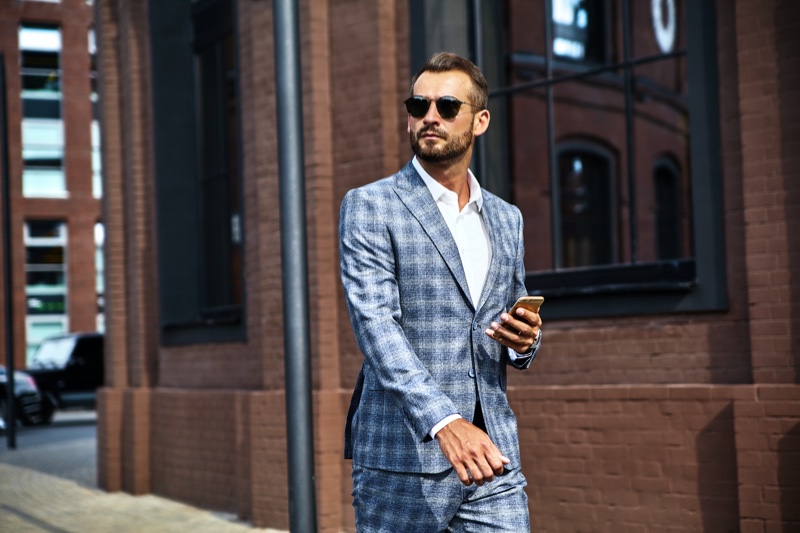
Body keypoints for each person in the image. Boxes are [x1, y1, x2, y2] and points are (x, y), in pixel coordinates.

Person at [339, 51, 542, 532]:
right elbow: (376, 327)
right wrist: (443, 421)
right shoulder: (371, 206)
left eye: (448, 106)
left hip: (492, 456)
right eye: (418, 105)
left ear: (480, 120)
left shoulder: (506, 218)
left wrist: (525, 340)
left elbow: (508, 314)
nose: (429, 116)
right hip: (402, 459)